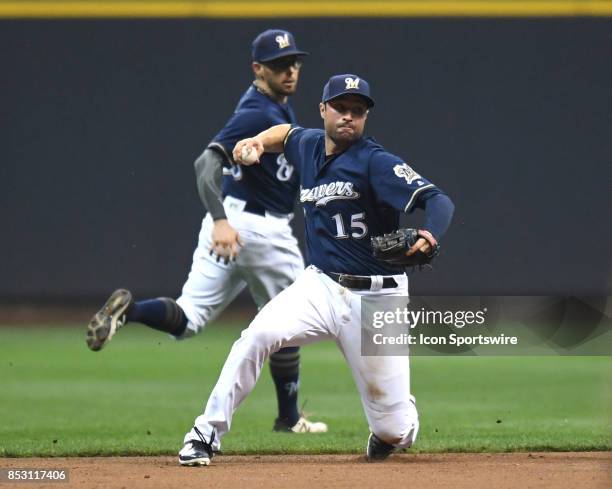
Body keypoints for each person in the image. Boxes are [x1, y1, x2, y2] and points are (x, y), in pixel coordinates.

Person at [178, 74, 455, 466]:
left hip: (378, 297)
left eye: (357, 111)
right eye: (341, 108)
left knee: (394, 430)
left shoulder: (376, 162)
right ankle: (204, 433)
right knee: (258, 335)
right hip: (320, 285)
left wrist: (430, 234)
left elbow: (438, 199)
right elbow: (284, 134)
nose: (349, 117)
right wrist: (258, 142)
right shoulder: (307, 144)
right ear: (323, 110)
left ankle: (395, 424)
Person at [85, 29, 327, 436]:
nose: (290, 71)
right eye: (279, 64)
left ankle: (131, 311)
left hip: (233, 224)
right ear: (257, 69)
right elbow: (204, 165)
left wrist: (222, 220)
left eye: (294, 62)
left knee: (189, 319)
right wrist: (220, 220)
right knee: (290, 324)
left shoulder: (273, 110)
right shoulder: (257, 112)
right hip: (258, 231)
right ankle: (288, 418)